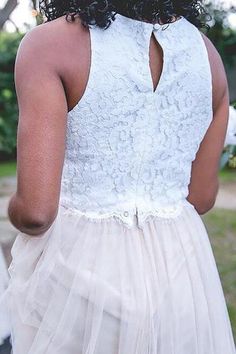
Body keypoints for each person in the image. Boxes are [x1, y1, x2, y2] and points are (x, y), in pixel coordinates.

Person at [4, 0, 236, 352]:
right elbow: (201, 197)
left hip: (79, 274)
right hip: (181, 274)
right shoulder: (208, 57)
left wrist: (13, 209)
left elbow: (36, 213)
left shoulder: (50, 45)